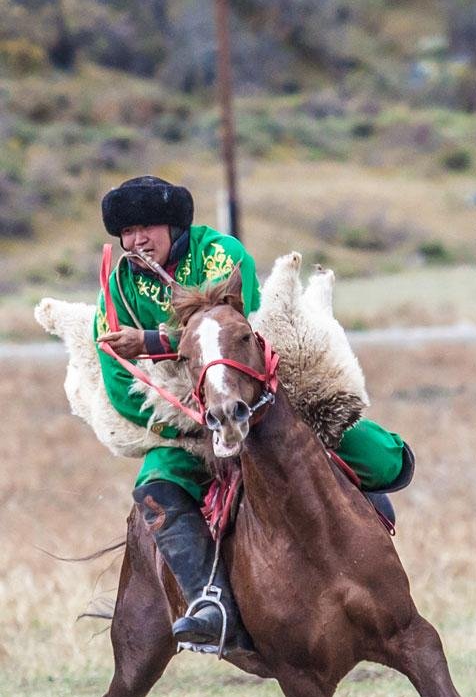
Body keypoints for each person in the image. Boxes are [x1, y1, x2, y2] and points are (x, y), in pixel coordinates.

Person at [95, 175, 412, 655]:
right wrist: (184, 421)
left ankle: (366, 502)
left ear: (174, 227)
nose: (137, 241)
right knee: (155, 488)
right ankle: (208, 602)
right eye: (127, 232)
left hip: (252, 391)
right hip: (185, 417)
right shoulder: (117, 287)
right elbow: (118, 375)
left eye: (147, 228)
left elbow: (231, 326)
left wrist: (155, 343)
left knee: (368, 451)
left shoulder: (219, 255)